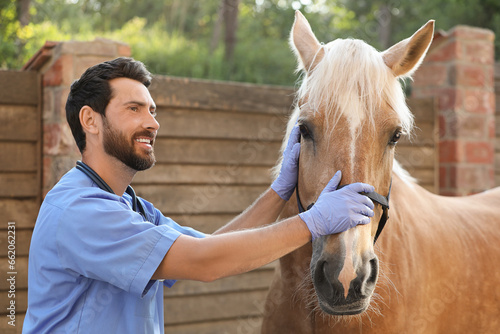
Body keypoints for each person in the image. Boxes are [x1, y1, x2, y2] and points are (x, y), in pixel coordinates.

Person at [23, 57, 375, 333]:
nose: (153, 122)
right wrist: (313, 221)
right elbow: (204, 263)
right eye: (134, 109)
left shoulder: (133, 208)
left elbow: (212, 246)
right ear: (90, 120)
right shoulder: (79, 210)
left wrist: (279, 193)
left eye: (152, 110)